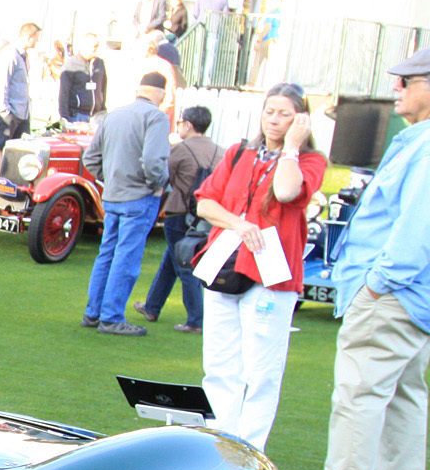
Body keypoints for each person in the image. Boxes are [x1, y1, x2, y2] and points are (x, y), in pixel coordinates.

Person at [295, 47, 430, 470]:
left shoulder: (427, 145)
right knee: (407, 391)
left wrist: (378, 283)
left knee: (360, 392)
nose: (396, 89)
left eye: (406, 81)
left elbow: (417, 226)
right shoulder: (419, 140)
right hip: (414, 295)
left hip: (396, 291)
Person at [190, 83, 326, 448]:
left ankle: (250, 451)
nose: (275, 121)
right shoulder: (238, 153)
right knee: (219, 366)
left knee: (261, 371)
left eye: (285, 114)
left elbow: (285, 193)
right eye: (269, 111)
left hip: (271, 277)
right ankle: (219, 442)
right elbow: (205, 204)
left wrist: (293, 148)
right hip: (224, 267)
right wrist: (239, 224)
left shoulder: (309, 161)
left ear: (300, 119)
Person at [79, 74, 172, 335]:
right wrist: (157, 184)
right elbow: (154, 160)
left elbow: (91, 157)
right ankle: (111, 317)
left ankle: (94, 313)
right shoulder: (156, 117)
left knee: (107, 253)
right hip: (139, 196)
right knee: (127, 257)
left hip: (114, 194)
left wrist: (110, 178)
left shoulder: (114, 115)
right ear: (162, 95)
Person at [135, 106, 219, 335]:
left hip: (180, 213)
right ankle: (152, 307)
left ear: (189, 125)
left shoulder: (180, 150)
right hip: (206, 215)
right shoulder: (219, 152)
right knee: (172, 259)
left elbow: (161, 175)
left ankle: (195, 319)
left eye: (181, 122)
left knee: (185, 264)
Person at [0, 22, 39, 149]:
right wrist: (5, 113)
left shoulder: (22, 56)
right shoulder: (10, 55)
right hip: (9, 114)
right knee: (0, 149)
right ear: (29, 37)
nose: (37, 42)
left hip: (21, 114)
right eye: (36, 38)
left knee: (18, 152)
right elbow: (2, 85)